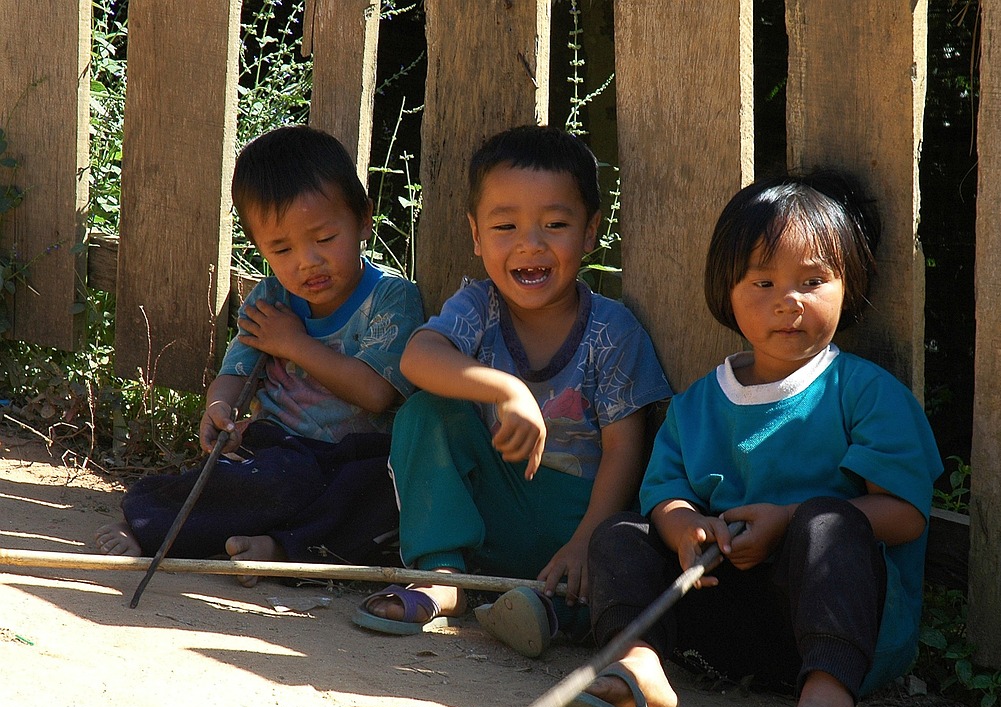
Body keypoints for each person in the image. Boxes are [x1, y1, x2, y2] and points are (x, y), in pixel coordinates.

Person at [558, 168, 943, 707]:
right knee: (622, 535)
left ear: (850, 285)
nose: (789, 301)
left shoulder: (864, 393)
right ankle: (641, 665)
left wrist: (788, 521)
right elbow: (666, 493)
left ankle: (827, 702)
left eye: (813, 281)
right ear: (727, 292)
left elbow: (904, 515)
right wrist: (686, 528)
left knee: (828, 522)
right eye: (762, 281)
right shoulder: (698, 405)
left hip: (836, 629)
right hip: (717, 625)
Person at [353, 125, 672, 654]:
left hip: (579, 515)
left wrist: (584, 542)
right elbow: (417, 357)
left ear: (590, 232)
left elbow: (624, 453)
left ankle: (548, 610)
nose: (531, 243)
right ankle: (441, 577)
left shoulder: (612, 332)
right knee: (426, 412)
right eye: (506, 225)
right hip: (494, 504)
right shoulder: (479, 307)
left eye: (554, 223)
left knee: (613, 557)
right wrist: (507, 390)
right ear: (476, 235)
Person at [94, 126, 425, 585]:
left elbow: (374, 392)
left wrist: (293, 344)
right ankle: (150, 525)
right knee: (262, 481)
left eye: (325, 238)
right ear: (259, 248)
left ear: (364, 219)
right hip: (280, 449)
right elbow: (236, 371)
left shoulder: (392, 300)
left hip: (360, 457)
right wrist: (219, 406)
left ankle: (280, 549)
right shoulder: (272, 301)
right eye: (282, 248)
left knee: (387, 498)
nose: (307, 261)